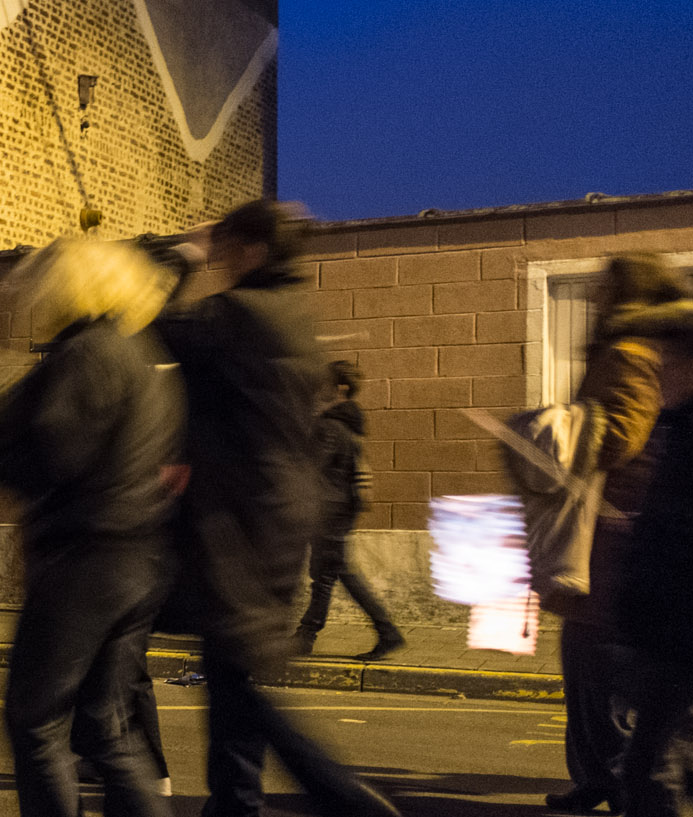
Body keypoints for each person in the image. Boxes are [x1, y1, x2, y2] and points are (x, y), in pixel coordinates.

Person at [155, 200, 398, 817]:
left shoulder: (239, 313)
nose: (219, 255)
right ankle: (235, 802)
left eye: (228, 244)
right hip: (272, 512)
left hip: (239, 518)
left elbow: (152, 316)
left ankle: (349, 801)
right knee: (231, 673)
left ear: (254, 250)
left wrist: (184, 252)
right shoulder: (291, 311)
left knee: (239, 675)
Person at [0, 234, 180, 817]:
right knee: (106, 728)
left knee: (35, 719)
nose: (31, 294)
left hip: (84, 562)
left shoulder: (86, 355)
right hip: (135, 559)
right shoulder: (135, 352)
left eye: (41, 283)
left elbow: (46, 463)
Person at [543, 253, 693, 816]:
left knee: (602, 662)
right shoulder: (625, 348)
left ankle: (623, 781)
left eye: (603, 288)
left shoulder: (631, 353)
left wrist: (559, 429)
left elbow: (624, 437)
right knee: (583, 656)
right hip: (607, 526)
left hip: (615, 531)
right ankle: (597, 777)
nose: (592, 296)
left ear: (625, 294)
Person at [610, 309, 693, 817]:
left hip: (681, 627)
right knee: (684, 764)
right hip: (674, 625)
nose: (657, 370)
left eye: (668, 359)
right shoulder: (685, 425)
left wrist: (654, 532)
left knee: (657, 771)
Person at [293, 360, 403, 661]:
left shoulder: (331, 426)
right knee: (325, 576)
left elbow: (312, 468)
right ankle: (305, 636)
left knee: (340, 573)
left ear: (339, 388)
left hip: (329, 510)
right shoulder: (351, 424)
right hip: (339, 508)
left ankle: (387, 631)